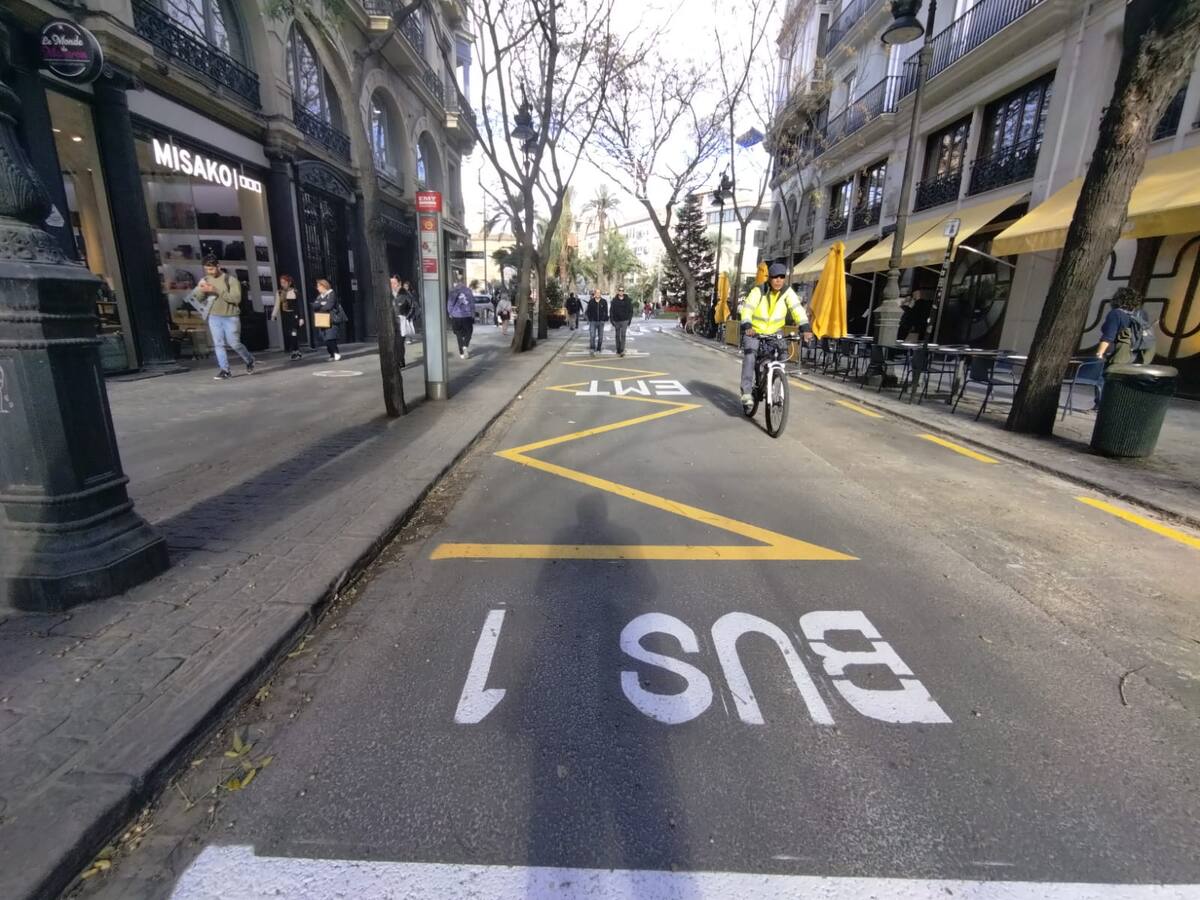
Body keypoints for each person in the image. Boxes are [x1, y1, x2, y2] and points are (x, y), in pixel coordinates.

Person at [739, 262, 809, 409]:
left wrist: (805, 328)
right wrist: (747, 325)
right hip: (754, 331)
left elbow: (798, 310)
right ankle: (746, 392)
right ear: (769, 278)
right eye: (775, 277)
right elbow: (747, 309)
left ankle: (774, 378)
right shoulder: (759, 291)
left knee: (783, 353)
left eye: (782, 277)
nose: (778, 280)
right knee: (750, 355)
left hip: (774, 332)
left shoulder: (787, 292)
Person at [188, 254, 254, 380]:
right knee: (218, 344)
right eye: (207, 269)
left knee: (234, 343)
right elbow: (198, 298)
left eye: (211, 269)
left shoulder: (231, 280)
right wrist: (199, 288)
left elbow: (236, 299)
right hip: (214, 316)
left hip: (231, 316)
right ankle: (225, 370)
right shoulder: (206, 280)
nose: (209, 272)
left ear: (218, 266)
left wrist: (216, 290)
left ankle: (249, 359)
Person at [1093, 286, 1156, 408]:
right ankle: (1121, 404)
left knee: (1105, 378)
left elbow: (1108, 336)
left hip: (1119, 353)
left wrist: (1100, 353)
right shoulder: (1141, 314)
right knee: (1127, 380)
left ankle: (1102, 405)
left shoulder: (1116, 314)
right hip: (1138, 354)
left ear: (1117, 299)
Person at [271, 274, 304, 360]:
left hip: (294, 315)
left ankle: (296, 351)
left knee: (294, 333)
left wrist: (301, 317)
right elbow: (277, 304)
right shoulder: (279, 292)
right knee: (289, 334)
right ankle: (294, 351)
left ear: (289, 283)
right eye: (281, 282)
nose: (283, 284)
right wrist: (273, 315)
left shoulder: (295, 291)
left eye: (284, 282)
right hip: (285, 315)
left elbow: (300, 305)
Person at [311, 278, 344, 361]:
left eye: (319, 286)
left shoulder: (331, 294)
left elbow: (329, 306)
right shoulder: (319, 296)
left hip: (331, 319)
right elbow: (314, 306)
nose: (317, 288)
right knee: (325, 339)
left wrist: (320, 305)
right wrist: (321, 304)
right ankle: (331, 354)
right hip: (322, 319)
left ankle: (335, 354)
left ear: (324, 286)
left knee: (331, 338)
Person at [447, 273, 475, 358]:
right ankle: (465, 345)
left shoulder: (453, 290)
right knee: (469, 332)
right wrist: (473, 314)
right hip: (467, 315)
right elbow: (472, 303)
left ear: (456, 281)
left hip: (456, 315)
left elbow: (450, 303)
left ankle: (462, 353)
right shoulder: (468, 291)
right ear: (464, 281)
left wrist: (450, 313)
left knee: (458, 334)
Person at [389, 274, 415, 366]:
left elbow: (413, 306)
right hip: (390, 322)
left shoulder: (405, 294)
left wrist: (407, 317)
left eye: (394, 283)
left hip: (401, 322)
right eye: (391, 282)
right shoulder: (388, 295)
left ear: (399, 283)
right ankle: (400, 359)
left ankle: (399, 361)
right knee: (394, 344)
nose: (392, 285)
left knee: (399, 343)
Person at [610, 286, 633, 357]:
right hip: (616, 320)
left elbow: (631, 311)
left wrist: (629, 320)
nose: (621, 291)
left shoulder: (627, 300)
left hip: (625, 320)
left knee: (623, 335)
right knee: (617, 335)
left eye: (622, 290)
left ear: (624, 291)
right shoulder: (614, 300)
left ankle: (622, 350)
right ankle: (618, 349)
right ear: (618, 291)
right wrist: (612, 320)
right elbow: (611, 311)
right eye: (620, 290)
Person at [585, 288, 608, 357]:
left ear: (600, 294)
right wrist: (589, 319)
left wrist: (604, 319)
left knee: (600, 337)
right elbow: (588, 311)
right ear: (594, 294)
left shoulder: (604, 301)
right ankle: (592, 348)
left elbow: (606, 311)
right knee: (592, 335)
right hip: (593, 321)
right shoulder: (591, 301)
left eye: (599, 293)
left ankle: (598, 348)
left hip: (601, 322)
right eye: (596, 293)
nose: (598, 294)